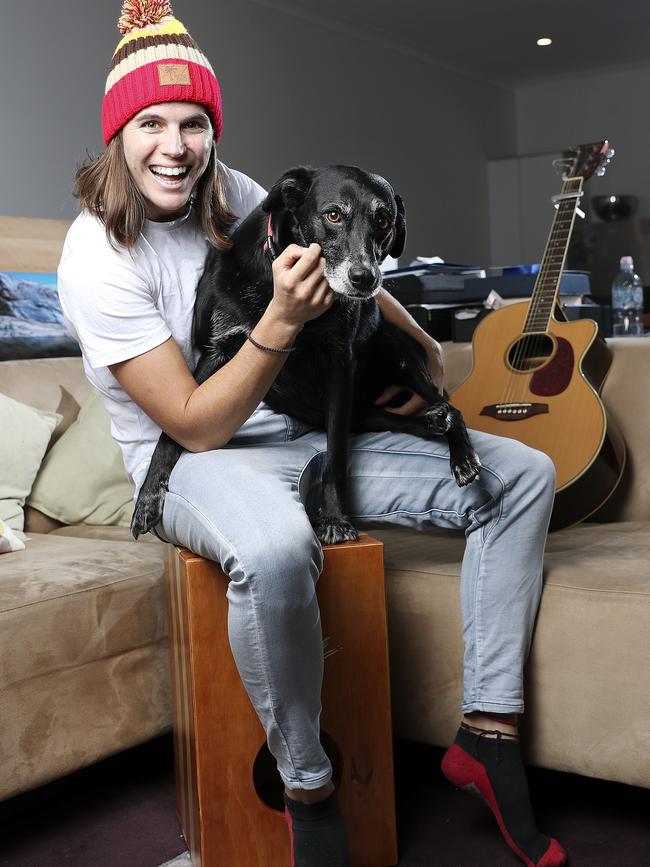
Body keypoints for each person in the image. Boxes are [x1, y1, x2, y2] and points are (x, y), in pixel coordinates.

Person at [57, 3, 567, 866]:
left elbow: (347, 266)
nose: (174, 146)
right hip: (196, 460)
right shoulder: (96, 255)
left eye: (193, 123)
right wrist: (281, 326)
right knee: (280, 546)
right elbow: (194, 420)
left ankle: (487, 730)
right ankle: (309, 788)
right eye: (151, 124)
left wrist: (420, 348)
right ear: (119, 137)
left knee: (521, 473)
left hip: (306, 432)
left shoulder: (243, 193)